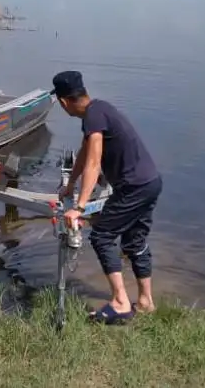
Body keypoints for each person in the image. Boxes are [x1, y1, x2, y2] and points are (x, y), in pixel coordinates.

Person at [52, 70, 162, 324]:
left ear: (63, 102)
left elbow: (93, 162)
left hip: (133, 187)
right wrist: (71, 184)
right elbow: (85, 152)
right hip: (150, 183)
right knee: (134, 242)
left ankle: (121, 303)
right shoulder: (99, 110)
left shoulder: (93, 116)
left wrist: (79, 207)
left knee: (102, 236)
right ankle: (145, 302)